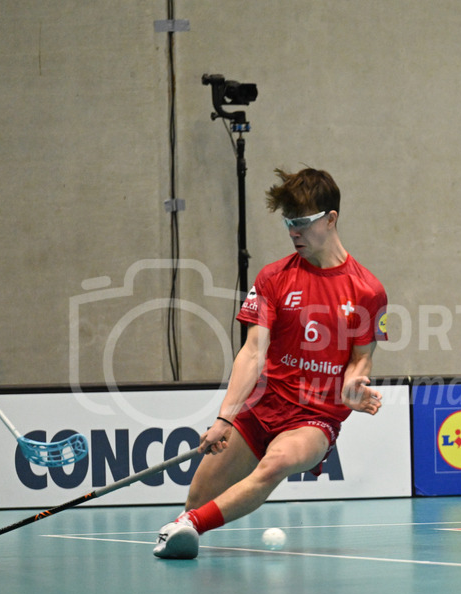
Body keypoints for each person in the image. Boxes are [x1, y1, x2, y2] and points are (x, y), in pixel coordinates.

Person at [154, 167, 388, 559]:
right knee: (197, 497)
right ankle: (186, 526)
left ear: (331, 219)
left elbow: (361, 359)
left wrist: (354, 386)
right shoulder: (273, 278)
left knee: (277, 461)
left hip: (315, 416)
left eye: (301, 222)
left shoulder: (367, 290)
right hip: (264, 406)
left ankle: (190, 526)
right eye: (287, 223)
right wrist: (225, 418)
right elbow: (252, 352)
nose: (293, 232)